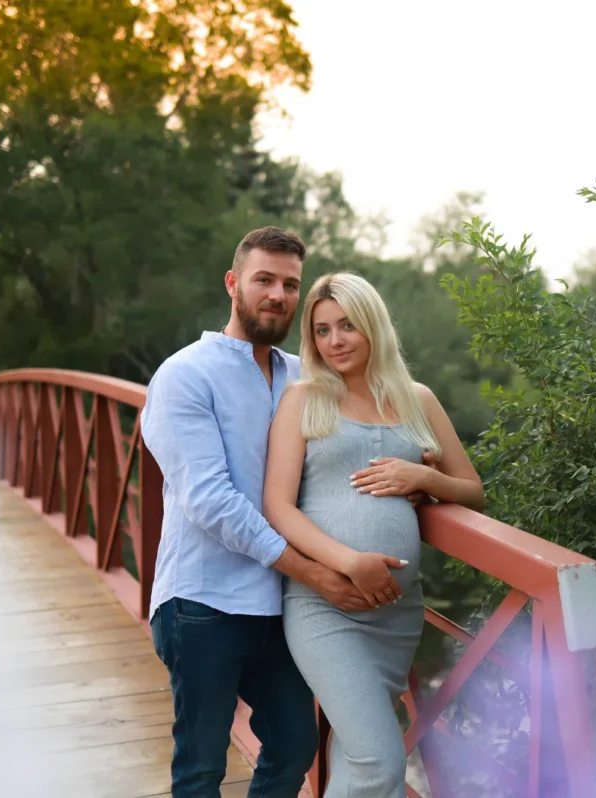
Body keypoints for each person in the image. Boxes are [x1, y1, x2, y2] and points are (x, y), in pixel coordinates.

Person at [141, 228, 378, 798]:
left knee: (294, 744)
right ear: (233, 283)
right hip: (203, 602)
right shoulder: (185, 374)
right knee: (201, 767)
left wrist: (410, 477)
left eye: (290, 285)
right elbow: (210, 501)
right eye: (263, 280)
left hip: (279, 605)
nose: (278, 295)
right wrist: (316, 572)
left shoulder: (306, 377)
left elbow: (347, 455)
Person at [264, 272, 486, 797]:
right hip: (325, 608)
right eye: (322, 330)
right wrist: (349, 562)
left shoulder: (418, 400)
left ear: (373, 326)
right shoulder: (303, 399)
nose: (334, 341)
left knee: (356, 759)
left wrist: (423, 478)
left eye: (347, 326)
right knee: (379, 761)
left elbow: (473, 492)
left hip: (397, 615)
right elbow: (277, 507)